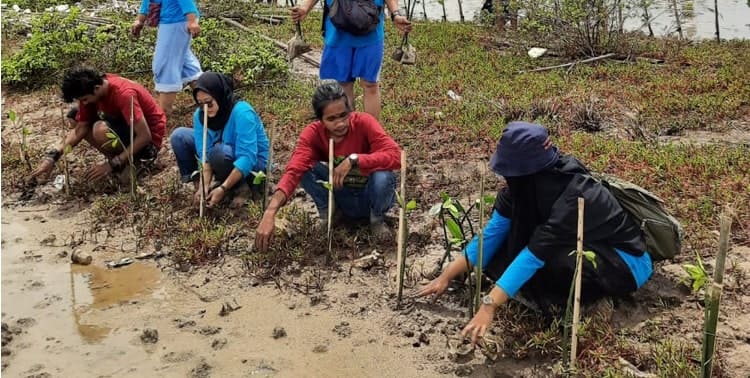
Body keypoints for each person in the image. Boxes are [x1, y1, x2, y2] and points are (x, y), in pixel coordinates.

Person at [416, 122, 653, 345]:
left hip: (623, 263)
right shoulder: (520, 190)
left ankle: (594, 303)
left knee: (556, 262)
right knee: (505, 250)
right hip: (567, 246)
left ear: (525, 172)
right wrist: (445, 276)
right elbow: (491, 235)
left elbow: (536, 253)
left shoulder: (576, 194)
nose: (504, 178)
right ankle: (540, 293)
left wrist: (489, 305)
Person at [255, 81, 401, 252]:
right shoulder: (313, 134)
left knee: (384, 176)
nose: (340, 124)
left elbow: (396, 156)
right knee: (305, 168)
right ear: (320, 120)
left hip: (369, 193)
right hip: (340, 193)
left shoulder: (364, 123)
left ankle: (377, 219)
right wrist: (270, 212)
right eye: (331, 119)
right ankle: (330, 213)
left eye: (343, 115)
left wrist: (355, 160)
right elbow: (294, 171)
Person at [30, 67, 166, 184]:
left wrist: (113, 164)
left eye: (85, 99)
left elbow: (145, 136)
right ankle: (118, 160)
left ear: (96, 88)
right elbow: (81, 128)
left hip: (148, 140)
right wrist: (53, 157)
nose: (84, 103)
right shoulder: (94, 91)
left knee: (99, 129)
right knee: (74, 117)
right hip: (124, 125)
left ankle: (131, 161)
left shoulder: (124, 94)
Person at [290, 0, 412, 120]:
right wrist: (304, 7)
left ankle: (372, 134)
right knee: (344, 84)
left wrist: (396, 14)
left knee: (371, 84)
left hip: (371, 31)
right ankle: (349, 132)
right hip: (338, 31)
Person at [170, 72, 270, 208]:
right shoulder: (200, 116)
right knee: (179, 136)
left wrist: (223, 188)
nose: (205, 109)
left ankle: (240, 186)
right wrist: (204, 186)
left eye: (209, 103)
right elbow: (205, 154)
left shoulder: (242, 112)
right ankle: (201, 189)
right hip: (222, 156)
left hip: (252, 163)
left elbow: (248, 156)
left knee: (218, 153)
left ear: (219, 95)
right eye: (201, 104)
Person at [131, 0, 203, 115]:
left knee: (165, 64)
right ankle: (208, 97)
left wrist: (192, 20)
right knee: (184, 62)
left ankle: (164, 112)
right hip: (171, 22)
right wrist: (139, 20)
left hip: (177, 21)